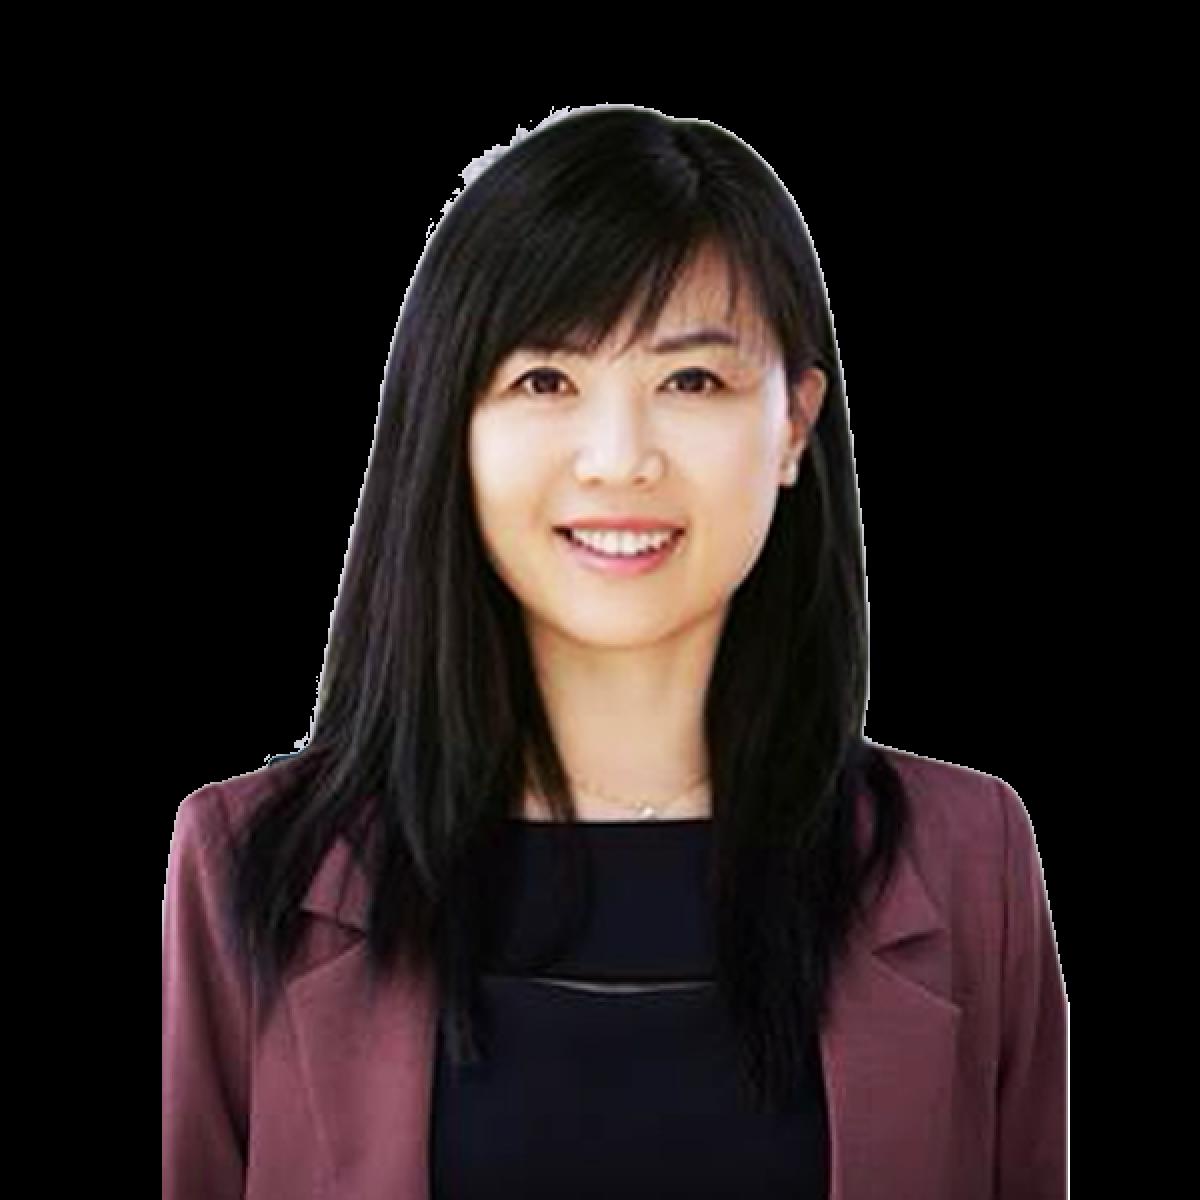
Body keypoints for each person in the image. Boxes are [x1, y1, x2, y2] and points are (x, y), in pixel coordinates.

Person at [163, 105, 1067, 1198]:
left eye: (691, 382)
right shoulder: (248, 865)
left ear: (792, 427)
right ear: (450, 422)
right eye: (546, 380)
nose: (619, 458)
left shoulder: (970, 862)